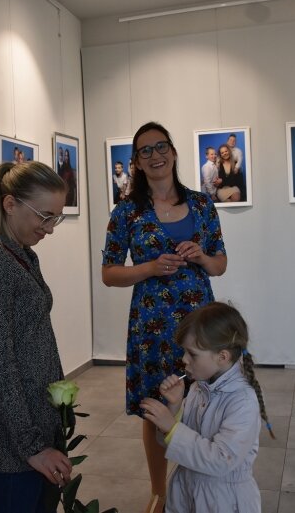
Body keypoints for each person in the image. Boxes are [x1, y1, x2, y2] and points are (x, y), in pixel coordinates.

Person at [102, 121, 227, 513]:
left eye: (161, 147)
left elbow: (220, 263)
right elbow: (109, 273)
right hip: (152, 325)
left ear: (173, 152)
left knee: (203, 401)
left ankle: (200, 484)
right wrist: (150, 268)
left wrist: (202, 257)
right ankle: (159, 492)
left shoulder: (202, 204)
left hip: (200, 322)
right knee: (156, 407)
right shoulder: (127, 212)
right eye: (145, 151)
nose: (155, 155)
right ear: (136, 162)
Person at [0, 161, 70, 513]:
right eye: (44, 216)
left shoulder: (23, 255)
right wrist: (32, 447)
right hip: (14, 441)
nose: (50, 228)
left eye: (56, 217)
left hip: (37, 423)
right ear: (9, 204)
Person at [139, 302, 273, 513]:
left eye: (192, 354)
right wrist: (173, 408)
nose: (184, 360)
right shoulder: (198, 387)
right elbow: (170, 445)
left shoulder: (244, 400)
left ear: (222, 357)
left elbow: (220, 461)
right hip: (186, 493)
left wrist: (172, 429)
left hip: (223, 501)